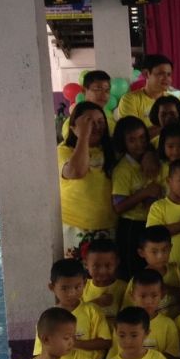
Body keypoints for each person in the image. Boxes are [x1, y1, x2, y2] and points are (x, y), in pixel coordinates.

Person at [58, 101, 117, 258]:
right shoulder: (63, 150)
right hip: (75, 226)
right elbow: (76, 171)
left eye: (100, 122)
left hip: (109, 225)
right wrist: (84, 135)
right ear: (73, 127)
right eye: (89, 122)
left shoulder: (112, 149)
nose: (96, 126)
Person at [33, 259, 111, 359]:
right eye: (64, 288)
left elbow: (106, 342)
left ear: (84, 283)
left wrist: (75, 343)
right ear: (52, 287)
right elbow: (40, 352)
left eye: (77, 287)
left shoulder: (93, 311)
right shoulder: (47, 319)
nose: (71, 293)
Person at [111, 116, 162, 274]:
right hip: (132, 227)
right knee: (133, 270)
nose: (139, 144)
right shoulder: (123, 170)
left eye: (142, 138)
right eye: (132, 140)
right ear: (123, 143)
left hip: (151, 222)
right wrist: (145, 193)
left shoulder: (152, 159)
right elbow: (119, 207)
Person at [117, 54, 173, 128]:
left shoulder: (172, 100)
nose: (166, 78)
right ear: (146, 74)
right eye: (161, 74)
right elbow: (132, 133)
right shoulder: (129, 100)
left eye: (169, 74)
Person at [60, 69, 115, 138]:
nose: (104, 94)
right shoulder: (73, 123)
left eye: (107, 90)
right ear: (84, 91)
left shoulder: (110, 122)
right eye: (97, 89)